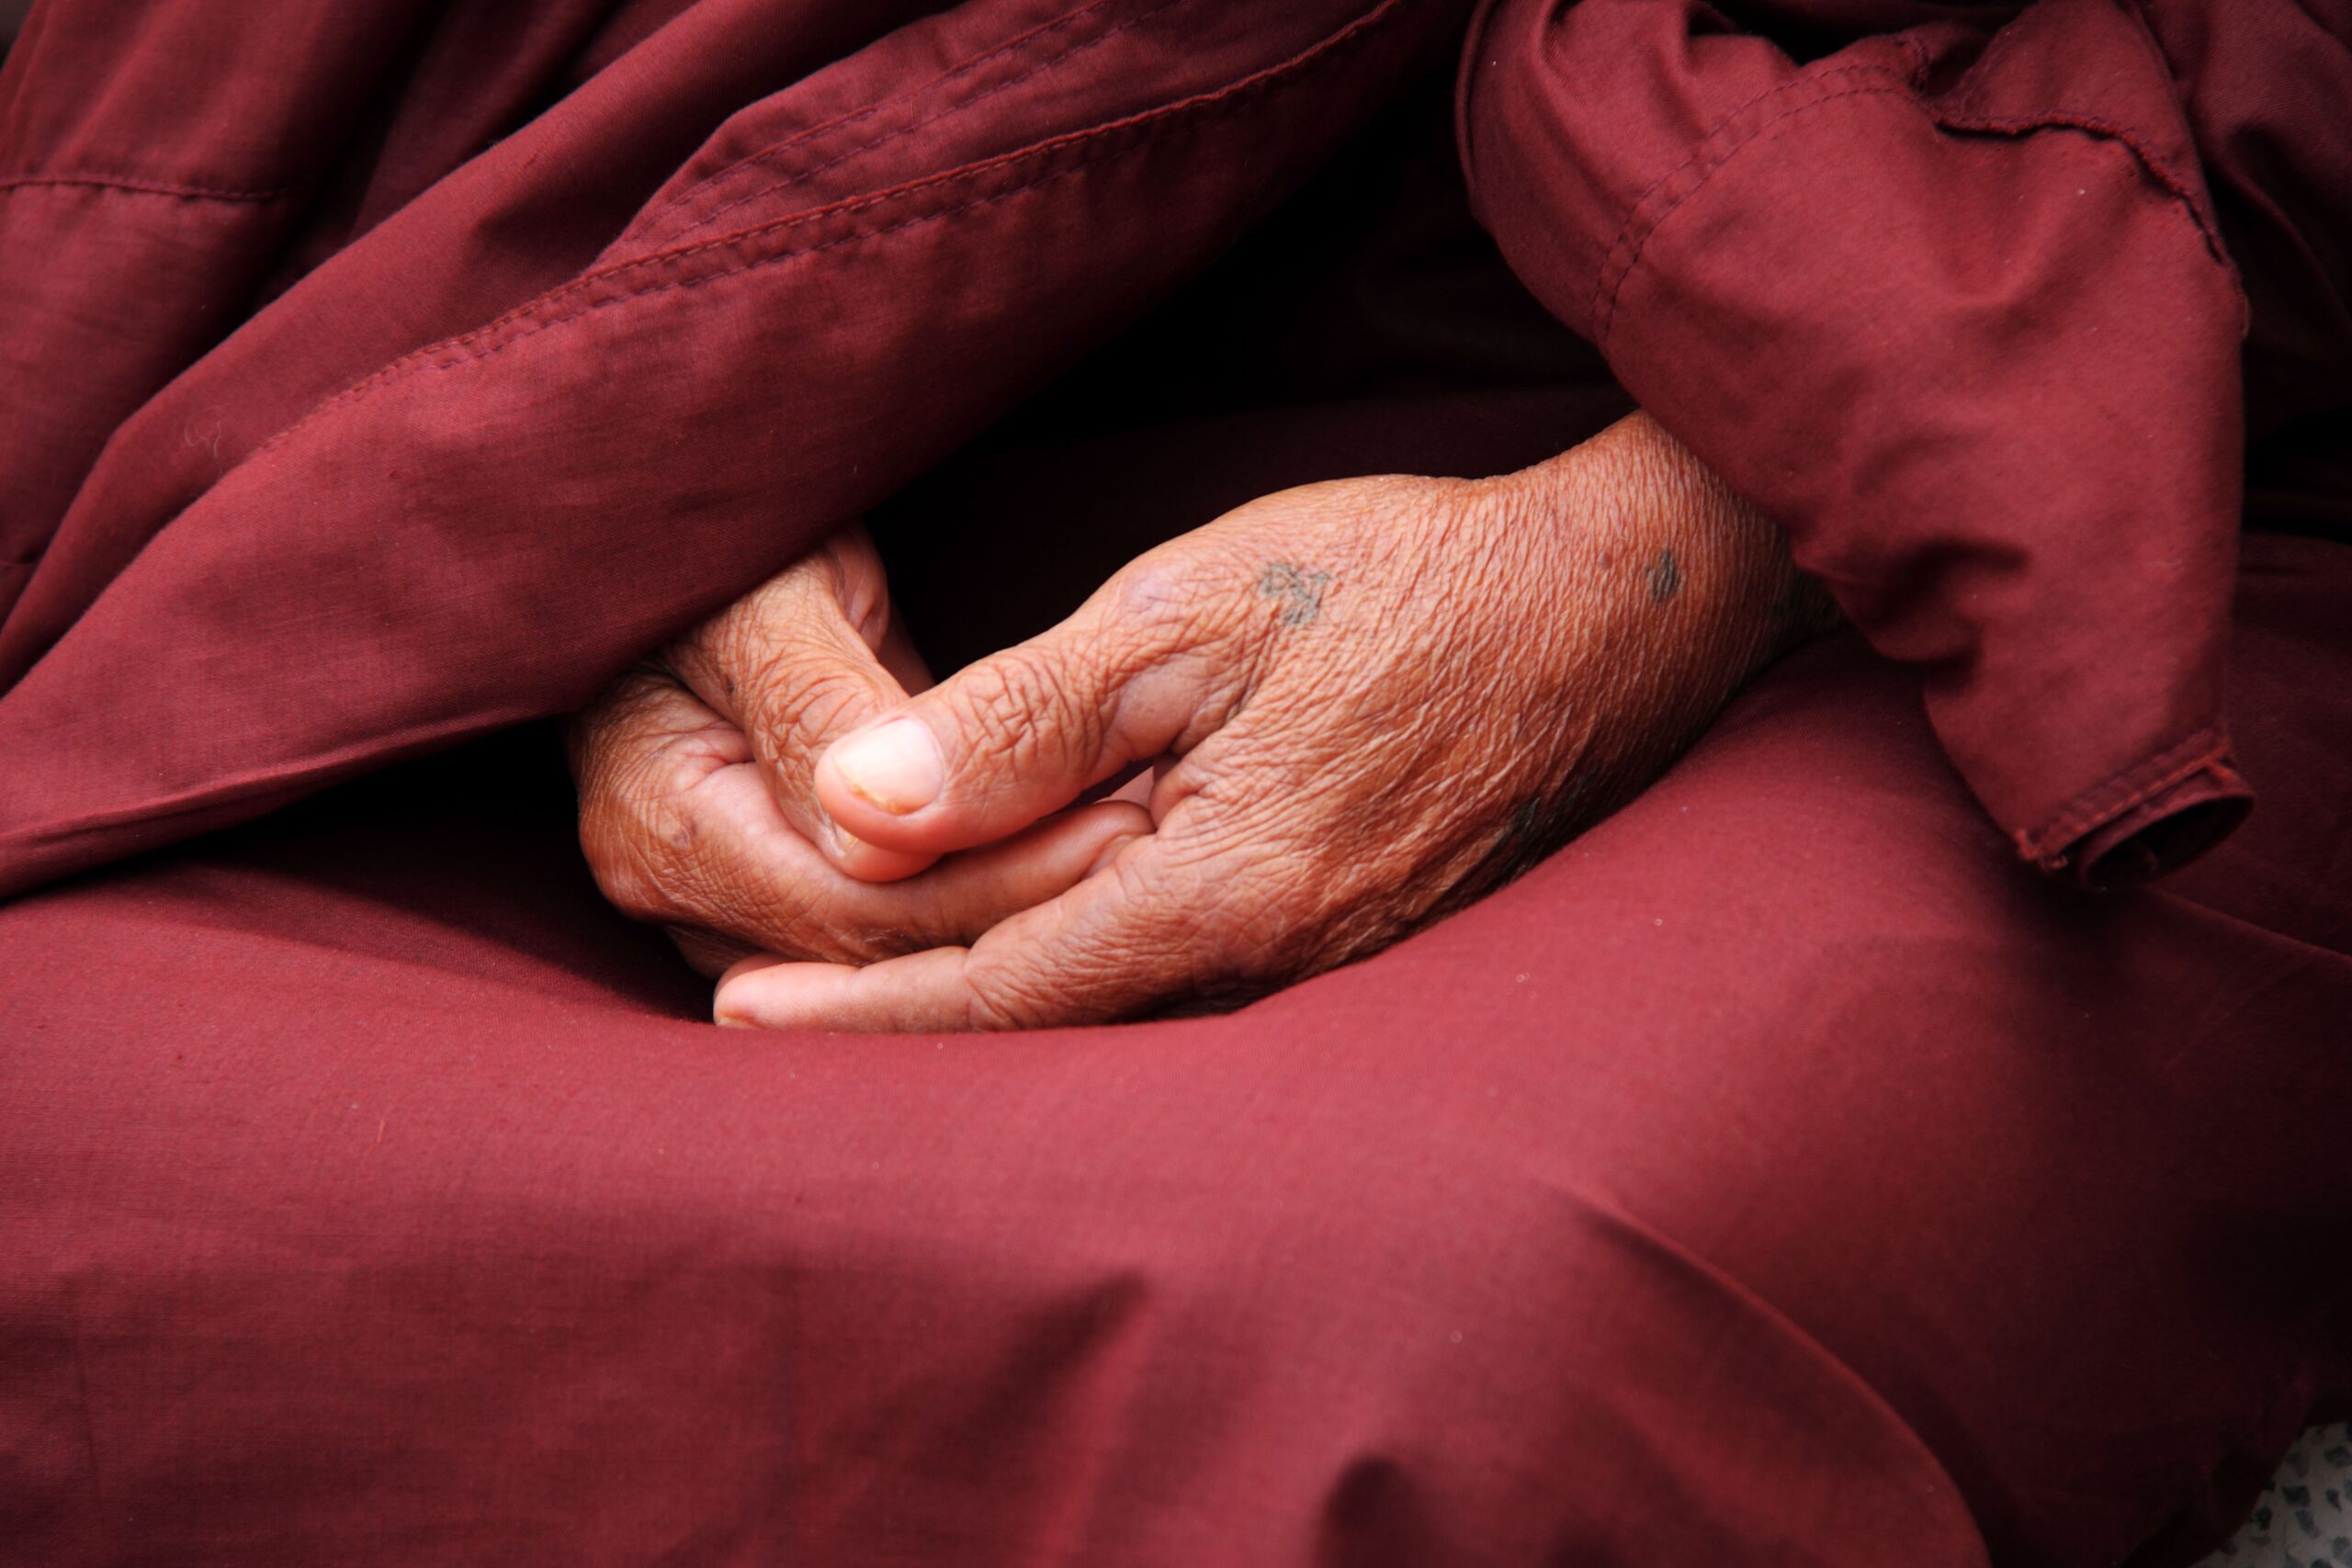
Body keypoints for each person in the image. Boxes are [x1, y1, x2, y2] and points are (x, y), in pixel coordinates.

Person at [0, 1, 2345, 1562]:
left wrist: (1659, 551)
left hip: (2003, 433)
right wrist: (608, 472)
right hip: (781, 278)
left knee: (1417, 1340)